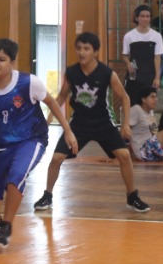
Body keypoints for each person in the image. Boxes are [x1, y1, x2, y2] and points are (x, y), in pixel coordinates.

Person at [0, 37, 77, 249]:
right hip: (2, 144)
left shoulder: (28, 82)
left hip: (32, 139)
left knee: (16, 176)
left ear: (13, 63)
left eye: (1, 59)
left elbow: (52, 103)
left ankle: (7, 226)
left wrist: (67, 130)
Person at [34, 31, 150, 214]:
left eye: (86, 49)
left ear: (95, 52)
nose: (82, 52)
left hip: (103, 123)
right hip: (79, 124)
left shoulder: (106, 73)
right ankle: (47, 195)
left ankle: (132, 196)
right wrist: (48, 118)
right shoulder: (71, 72)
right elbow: (62, 96)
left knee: (124, 156)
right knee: (56, 158)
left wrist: (126, 124)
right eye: (79, 48)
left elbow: (125, 98)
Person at [122, 4, 163, 106]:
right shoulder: (129, 36)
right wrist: (128, 63)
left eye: (147, 16)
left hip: (150, 75)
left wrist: (157, 77)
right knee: (132, 103)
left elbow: (157, 57)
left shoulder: (156, 36)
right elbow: (125, 55)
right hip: (134, 75)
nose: (145, 19)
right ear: (136, 18)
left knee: (148, 104)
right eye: (142, 16)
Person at [127, 87, 163, 163]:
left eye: (156, 97)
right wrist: (124, 151)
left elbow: (153, 133)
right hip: (143, 150)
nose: (156, 99)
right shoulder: (136, 109)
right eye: (152, 97)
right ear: (143, 99)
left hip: (154, 146)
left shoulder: (150, 112)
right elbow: (125, 131)